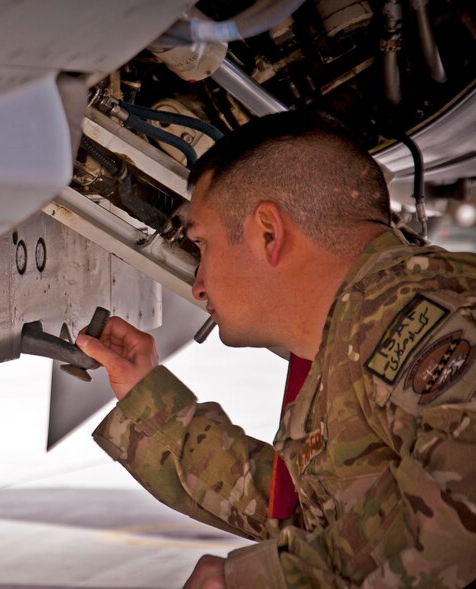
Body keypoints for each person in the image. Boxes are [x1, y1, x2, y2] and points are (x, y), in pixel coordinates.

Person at [75, 110, 476, 588]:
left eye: (202, 244)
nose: (199, 286)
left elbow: (460, 520)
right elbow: (320, 523)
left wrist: (258, 580)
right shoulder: (358, 330)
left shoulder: (418, 318)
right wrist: (147, 399)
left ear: (269, 233)